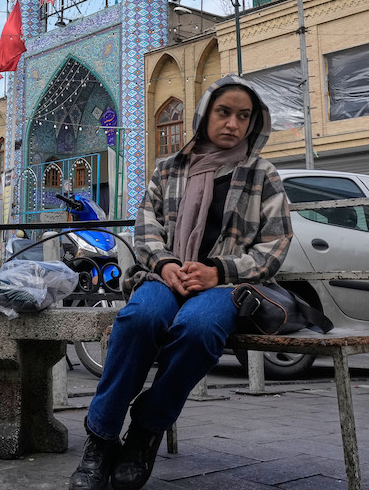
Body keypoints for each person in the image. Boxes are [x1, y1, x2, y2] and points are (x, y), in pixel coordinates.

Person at [69, 75, 293, 490]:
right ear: (204, 114)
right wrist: (168, 263)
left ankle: (146, 429)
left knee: (198, 329)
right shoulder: (169, 169)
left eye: (243, 116)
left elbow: (276, 245)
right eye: (223, 112)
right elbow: (146, 226)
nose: (233, 124)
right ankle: (100, 438)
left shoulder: (263, 175)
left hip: (225, 285)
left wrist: (219, 271)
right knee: (140, 320)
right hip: (164, 275)